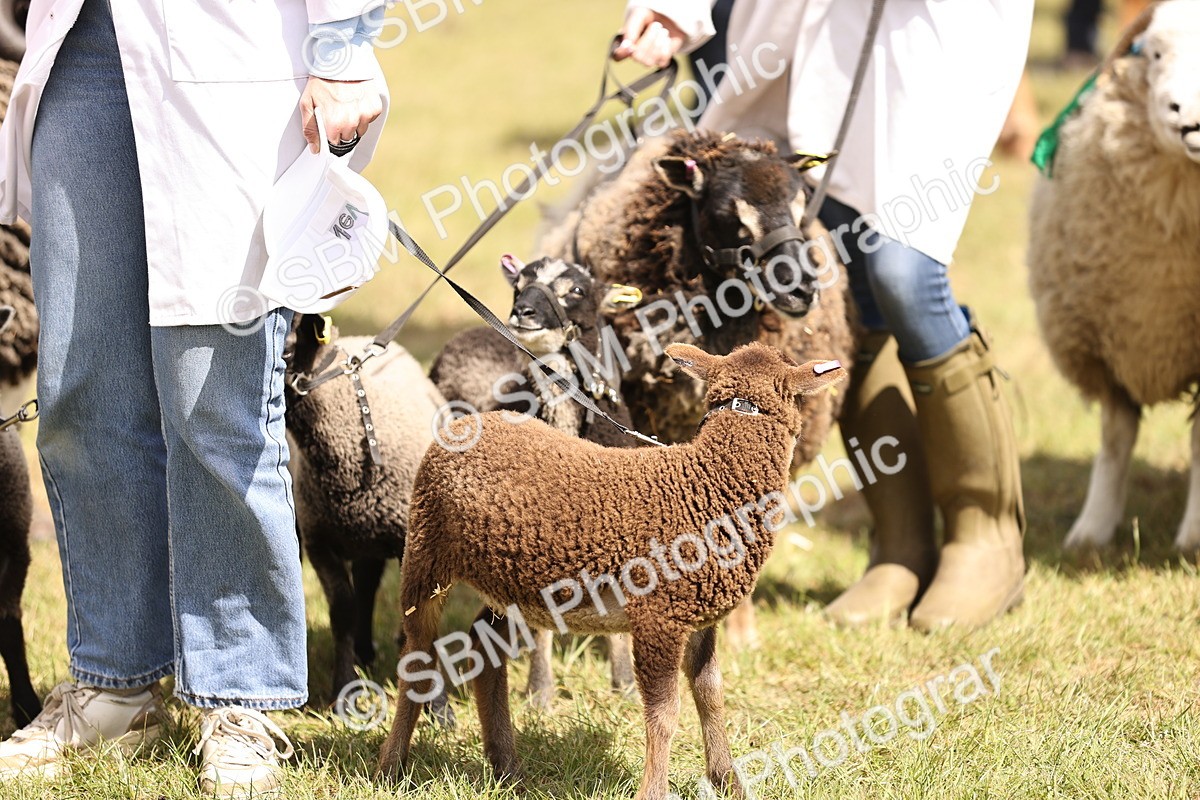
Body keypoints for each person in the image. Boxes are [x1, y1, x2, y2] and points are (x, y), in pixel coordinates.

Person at [0, 0, 386, 794]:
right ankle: (116, 682)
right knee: (79, 385)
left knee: (213, 393)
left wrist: (343, 46)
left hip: (230, 49)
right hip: (82, 44)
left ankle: (240, 696)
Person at [615, 0, 1030, 631]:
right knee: (851, 278)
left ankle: (986, 541)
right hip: (826, 32)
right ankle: (901, 546)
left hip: (933, 34)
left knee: (904, 271)